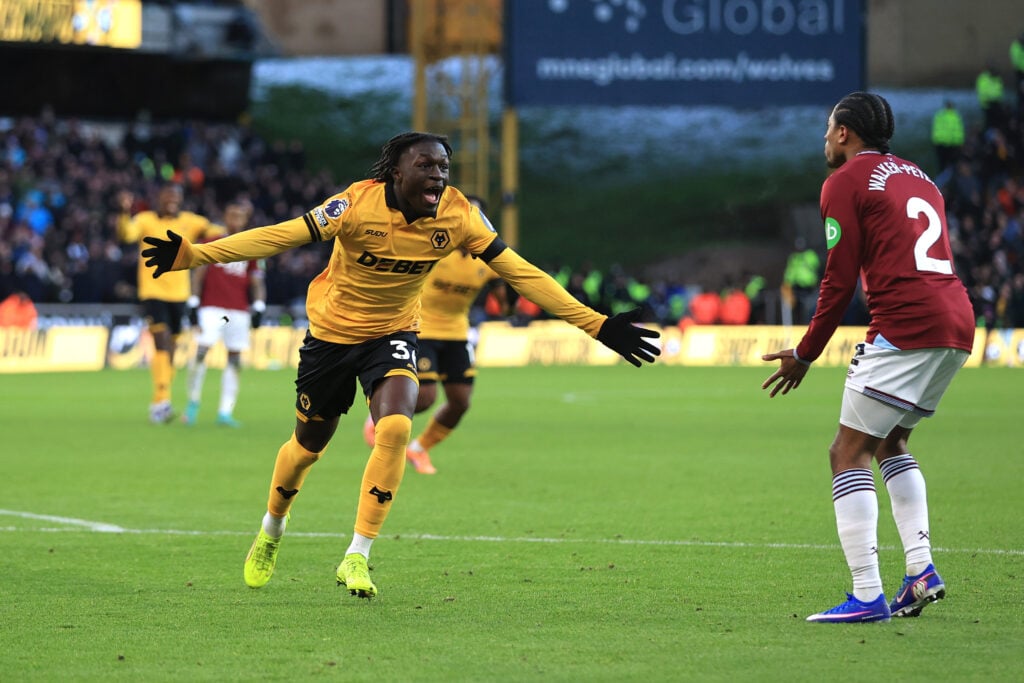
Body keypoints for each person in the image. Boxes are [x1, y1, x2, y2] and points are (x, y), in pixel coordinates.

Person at [140, 132, 660, 599]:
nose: (438, 176)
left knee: (395, 425)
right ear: (397, 171)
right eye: (427, 165)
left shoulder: (458, 215)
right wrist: (196, 255)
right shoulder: (355, 204)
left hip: (393, 333)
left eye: (444, 168)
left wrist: (596, 324)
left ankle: (357, 556)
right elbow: (280, 235)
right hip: (330, 337)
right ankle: (271, 530)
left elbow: (522, 274)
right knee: (305, 451)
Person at [762, 92, 975, 623]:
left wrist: (806, 353)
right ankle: (921, 572)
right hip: (955, 319)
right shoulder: (919, 176)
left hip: (912, 321)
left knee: (846, 452)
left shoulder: (844, 182)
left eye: (828, 126)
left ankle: (865, 595)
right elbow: (903, 261)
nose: (825, 137)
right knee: (891, 442)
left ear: (843, 133)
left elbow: (838, 279)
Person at [361, 194, 509, 474]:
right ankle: (378, 414)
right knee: (426, 396)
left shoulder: (486, 260)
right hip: (421, 327)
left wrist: (508, 292)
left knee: (460, 401)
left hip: (457, 332)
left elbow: (505, 303)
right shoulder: (437, 247)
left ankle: (419, 449)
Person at [117, 183, 225, 424]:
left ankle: (160, 401)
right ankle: (161, 401)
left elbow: (218, 232)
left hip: (180, 294)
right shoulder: (145, 220)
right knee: (162, 340)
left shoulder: (191, 221)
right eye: (167, 196)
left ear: (180, 200)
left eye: (175, 197)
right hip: (152, 291)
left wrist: (236, 227)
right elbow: (126, 234)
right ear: (159, 199)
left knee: (172, 350)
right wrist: (124, 212)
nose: (171, 200)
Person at [182, 199, 267, 427]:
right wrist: (193, 301)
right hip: (212, 307)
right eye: (232, 215)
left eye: (240, 217)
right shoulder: (211, 243)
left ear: (245, 221)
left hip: (239, 311)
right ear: (225, 217)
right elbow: (198, 274)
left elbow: (257, 281)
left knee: (235, 359)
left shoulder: (251, 248)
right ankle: (193, 403)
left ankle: (225, 411)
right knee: (201, 351)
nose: (235, 220)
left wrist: (259, 306)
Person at [930, 100, 965, 173]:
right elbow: (959, 131)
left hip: (943, 143)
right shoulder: (956, 116)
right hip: (951, 144)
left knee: (944, 164)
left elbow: (959, 131)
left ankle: (944, 180)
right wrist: (961, 142)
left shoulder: (940, 115)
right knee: (949, 164)